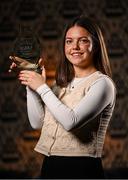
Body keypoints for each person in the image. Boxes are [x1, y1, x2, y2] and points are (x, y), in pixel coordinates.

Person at [9, 15, 116, 179]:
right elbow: (37, 123)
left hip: (83, 170)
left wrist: (42, 86)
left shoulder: (102, 84)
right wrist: (30, 82)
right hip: (50, 167)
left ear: (95, 46)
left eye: (83, 40)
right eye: (69, 41)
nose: (75, 46)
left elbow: (70, 121)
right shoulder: (60, 86)